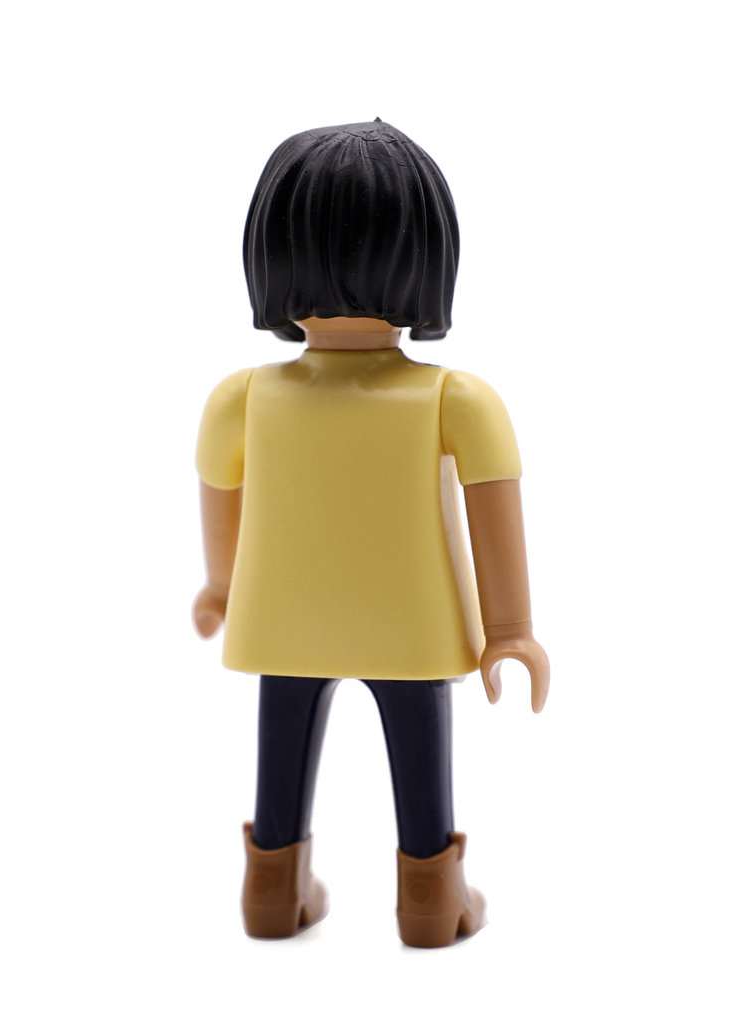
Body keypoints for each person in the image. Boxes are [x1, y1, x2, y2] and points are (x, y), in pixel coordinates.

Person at [193, 120, 549, 948]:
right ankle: (431, 901)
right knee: (421, 758)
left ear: (271, 257)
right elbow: (494, 511)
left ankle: (271, 890)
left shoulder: (240, 398)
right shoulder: (458, 399)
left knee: (280, 758)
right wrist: (510, 630)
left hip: (282, 621)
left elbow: (221, 502)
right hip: (409, 628)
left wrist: (221, 587)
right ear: (427, 258)